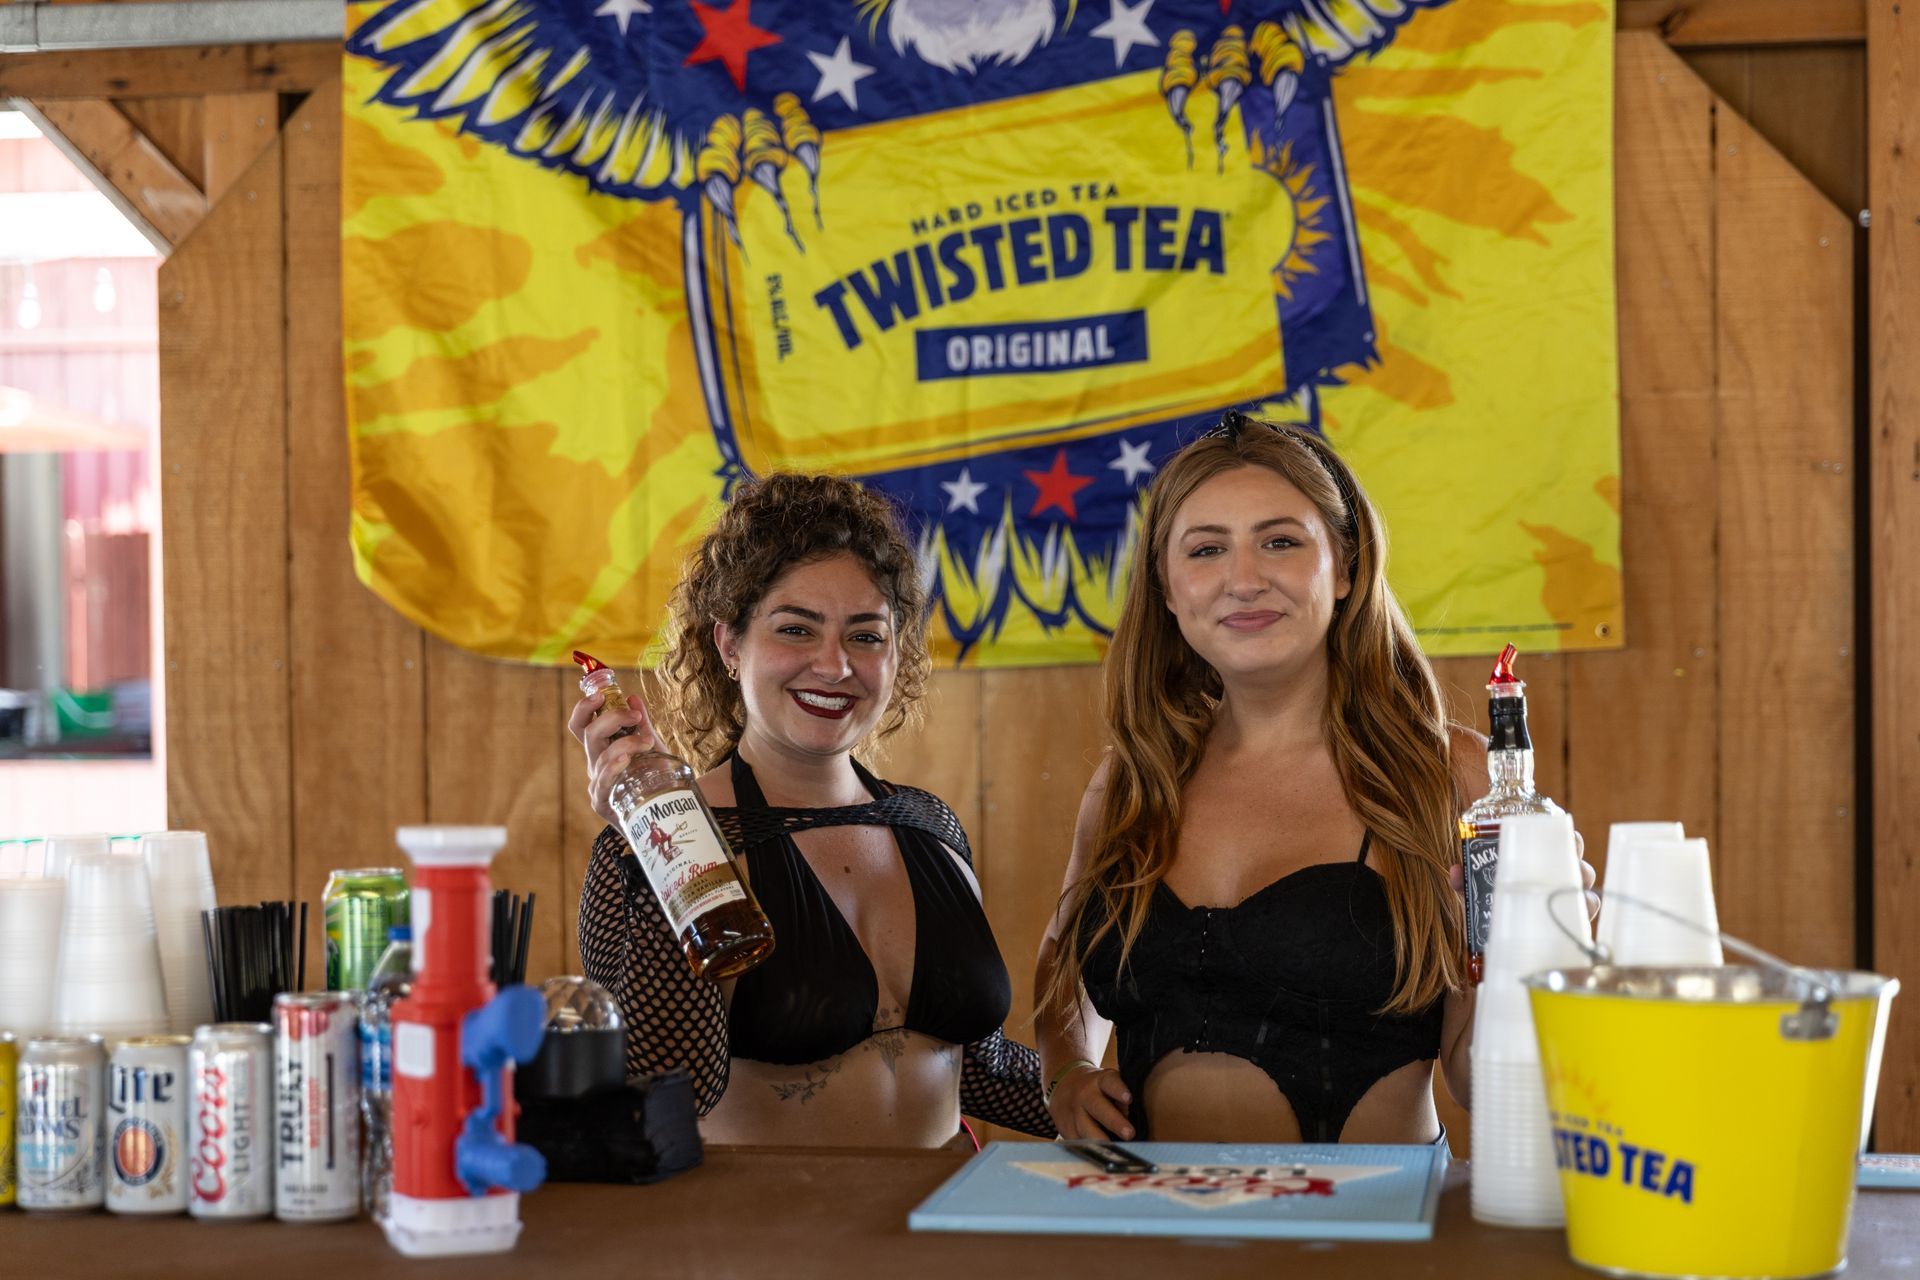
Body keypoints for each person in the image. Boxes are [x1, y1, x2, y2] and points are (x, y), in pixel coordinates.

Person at [1035, 410, 1590, 1145]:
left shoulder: (1453, 776)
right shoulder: (1132, 784)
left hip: (1370, 1236)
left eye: (1280, 542)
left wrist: (1547, 951)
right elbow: (1063, 963)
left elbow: (1483, 1081)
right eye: (1206, 550)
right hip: (1154, 1230)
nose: (1243, 579)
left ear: (1346, 568)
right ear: (1167, 589)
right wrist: (1066, 1068)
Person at [574, 472, 1053, 1147]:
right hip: (768, 1241)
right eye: (796, 629)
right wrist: (658, 832)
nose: (834, 666)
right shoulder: (642, 848)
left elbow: (979, 1065)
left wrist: (1111, 1100)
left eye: (865, 636)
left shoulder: (930, 827)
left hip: (945, 1227)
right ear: (730, 645)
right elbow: (664, 1085)